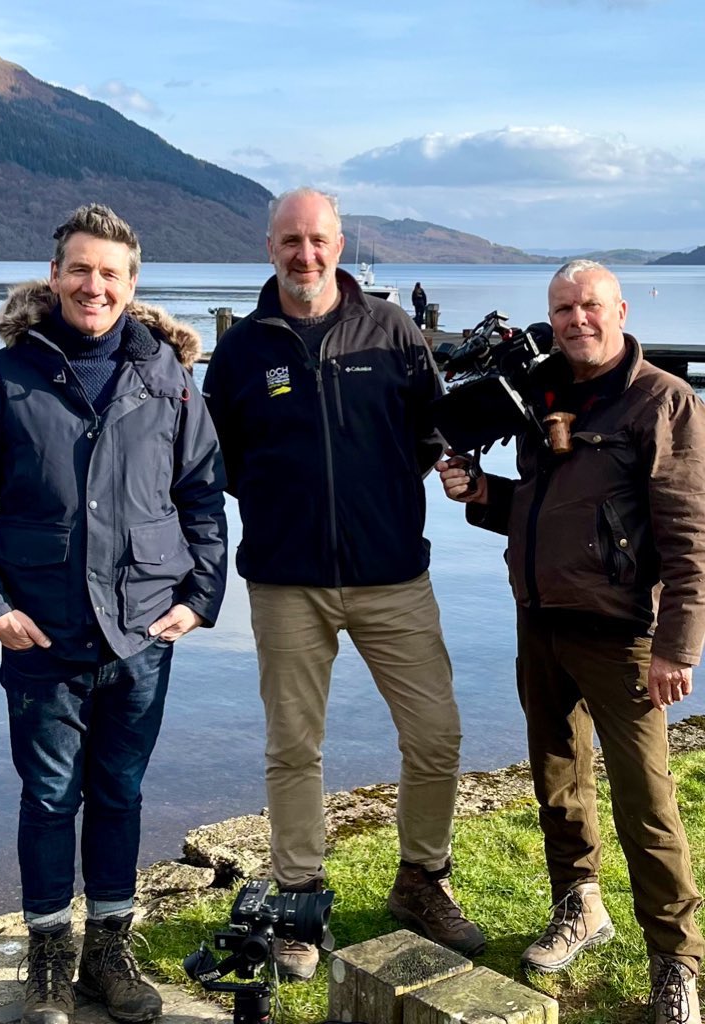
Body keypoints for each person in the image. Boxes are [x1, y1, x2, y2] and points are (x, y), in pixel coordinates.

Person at [0, 204, 227, 1024]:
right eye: (79, 269)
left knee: (122, 792)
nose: (93, 285)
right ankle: (48, 960)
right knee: (49, 795)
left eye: (110, 273)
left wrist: (199, 599)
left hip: (141, 632)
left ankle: (108, 949)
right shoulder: (3, 378)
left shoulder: (168, 377)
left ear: (132, 285)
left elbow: (203, 494)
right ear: (54, 273)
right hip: (40, 628)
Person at [202, 187, 483, 983]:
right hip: (286, 581)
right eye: (290, 240)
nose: (306, 254)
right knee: (294, 747)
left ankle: (421, 881)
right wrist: (274, 501)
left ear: (340, 241)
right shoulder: (243, 349)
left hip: (392, 573)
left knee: (436, 734)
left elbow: (435, 430)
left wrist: (420, 484)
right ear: (269, 248)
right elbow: (216, 456)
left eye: (318, 239)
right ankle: (299, 900)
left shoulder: (390, 330)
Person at [437, 259, 705, 1024]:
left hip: (623, 634)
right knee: (557, 778)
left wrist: (677, 646)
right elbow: (546, 507)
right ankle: (578, 905)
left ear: (620, 309)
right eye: (562, 309)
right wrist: (484, 495)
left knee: (647, 802)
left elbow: (691, 537)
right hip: (540, 619)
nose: (576, 320)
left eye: (590, 306)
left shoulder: (664, 403)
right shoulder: (545, 395)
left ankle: (677, 963)